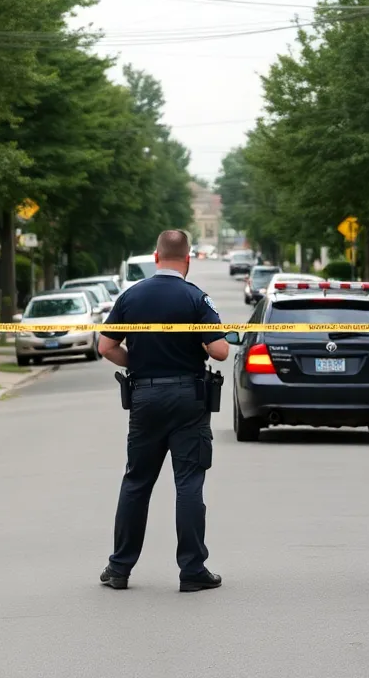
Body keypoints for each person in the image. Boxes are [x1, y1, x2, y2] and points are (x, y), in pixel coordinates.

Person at [97, 229, 230, 593]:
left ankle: (119, 568)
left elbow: (105, 346)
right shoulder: (195, 297)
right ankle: (192, 570)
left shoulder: (131, 296)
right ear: (187, 259)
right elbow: (220, 351)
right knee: (188, 483)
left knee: (137, 482)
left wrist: (138, 363)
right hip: (188, 398)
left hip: (145, 396)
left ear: (156, 258)